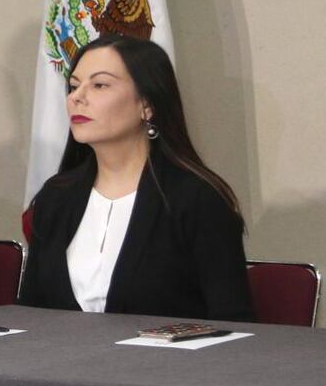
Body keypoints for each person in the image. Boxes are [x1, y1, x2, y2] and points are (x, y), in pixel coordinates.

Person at [18, 35, 255, 321]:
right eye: (74, 85)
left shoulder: (197, 198)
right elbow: (29, 314)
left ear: (147, 104)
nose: (76, 97)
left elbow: (233, 321)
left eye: (99, 85)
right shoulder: (56, 197)